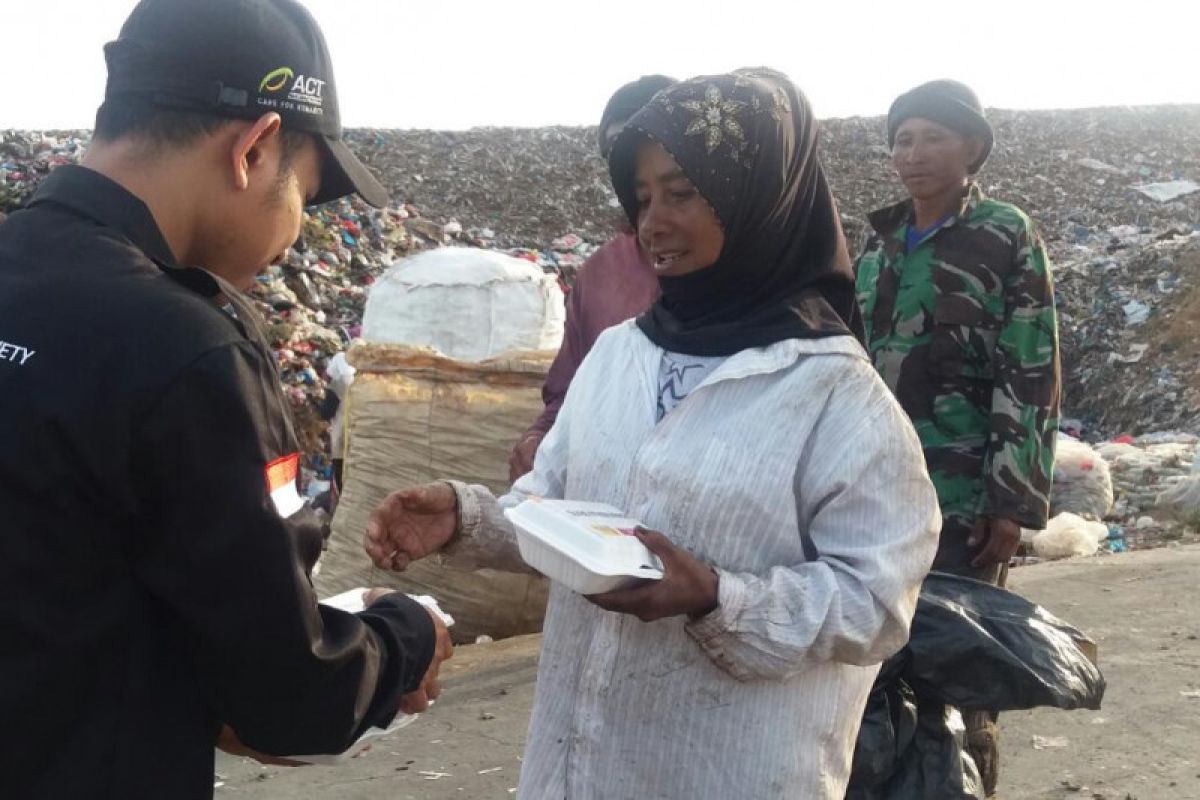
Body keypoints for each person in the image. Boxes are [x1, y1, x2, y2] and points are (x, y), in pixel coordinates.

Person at [367, 69, 941, 799]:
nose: (652, 222)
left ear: (760, 200)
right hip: (579, 768)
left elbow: (877, 604)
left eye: (683, 193)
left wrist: (716, 598)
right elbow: (562, 513)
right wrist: (469, 519)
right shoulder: (619, 354)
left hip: (728, 770)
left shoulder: (835, 394)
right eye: (642, 199)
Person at [0, 1, 452, 796]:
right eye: (305, 199)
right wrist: (404, 633)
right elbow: (289, 700)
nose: (292, 237)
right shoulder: (185, 348)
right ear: (253, 148)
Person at [853, 79, 1061, 796]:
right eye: (902, 140)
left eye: (932, 138)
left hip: (965, 497)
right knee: (877, 676)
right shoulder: (878, 251)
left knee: (964, 674)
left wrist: (1012, 500)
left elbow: (1030, 367)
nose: (913, 155)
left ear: (971, 149)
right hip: (877, 495)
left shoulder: (1005, 234)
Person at [507, 74, 673, 480]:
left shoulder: (747, 276)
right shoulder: (602, 272)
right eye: (616, 152)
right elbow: (568, 392)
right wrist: (537, 439)